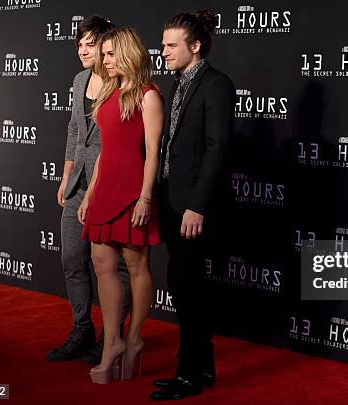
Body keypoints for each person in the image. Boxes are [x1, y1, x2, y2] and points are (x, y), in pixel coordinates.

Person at [150, 10, 235, 401]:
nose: (163, 51)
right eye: (164, 44)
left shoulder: (216, 84)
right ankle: (201, 365)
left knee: (188, 286)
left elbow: (218, 149)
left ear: (195, 46)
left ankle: (189, 374)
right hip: (171, 199)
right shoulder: (179, 81)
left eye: (171, 45)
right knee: (184, 286)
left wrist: (197, 206)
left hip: (192, 206)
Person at [78, 27, 164, 384]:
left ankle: (133, 340)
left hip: (132, 192)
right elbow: (103, 153)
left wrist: (145, 197)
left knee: (137, 265)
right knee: (102, 264)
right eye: (104, 54)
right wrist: (88, 192)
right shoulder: (109, 93)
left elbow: (152, 153)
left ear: (129, 53)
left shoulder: (148, 96)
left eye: (112, 54)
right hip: (105, 189)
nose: (105, 60)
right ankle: (111, 342)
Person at [47, 15, 131, 365]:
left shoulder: (123, 83)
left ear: (107, 47)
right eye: (79, 43)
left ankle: (114, 335)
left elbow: (122, 142)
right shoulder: (79, 79)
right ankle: (82, 330)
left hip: (110, 183)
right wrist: (66, 176)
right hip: (79, 182)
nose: (82, 49)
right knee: (71, 258)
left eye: (90, 44)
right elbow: (73, 132)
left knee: (112, 265)